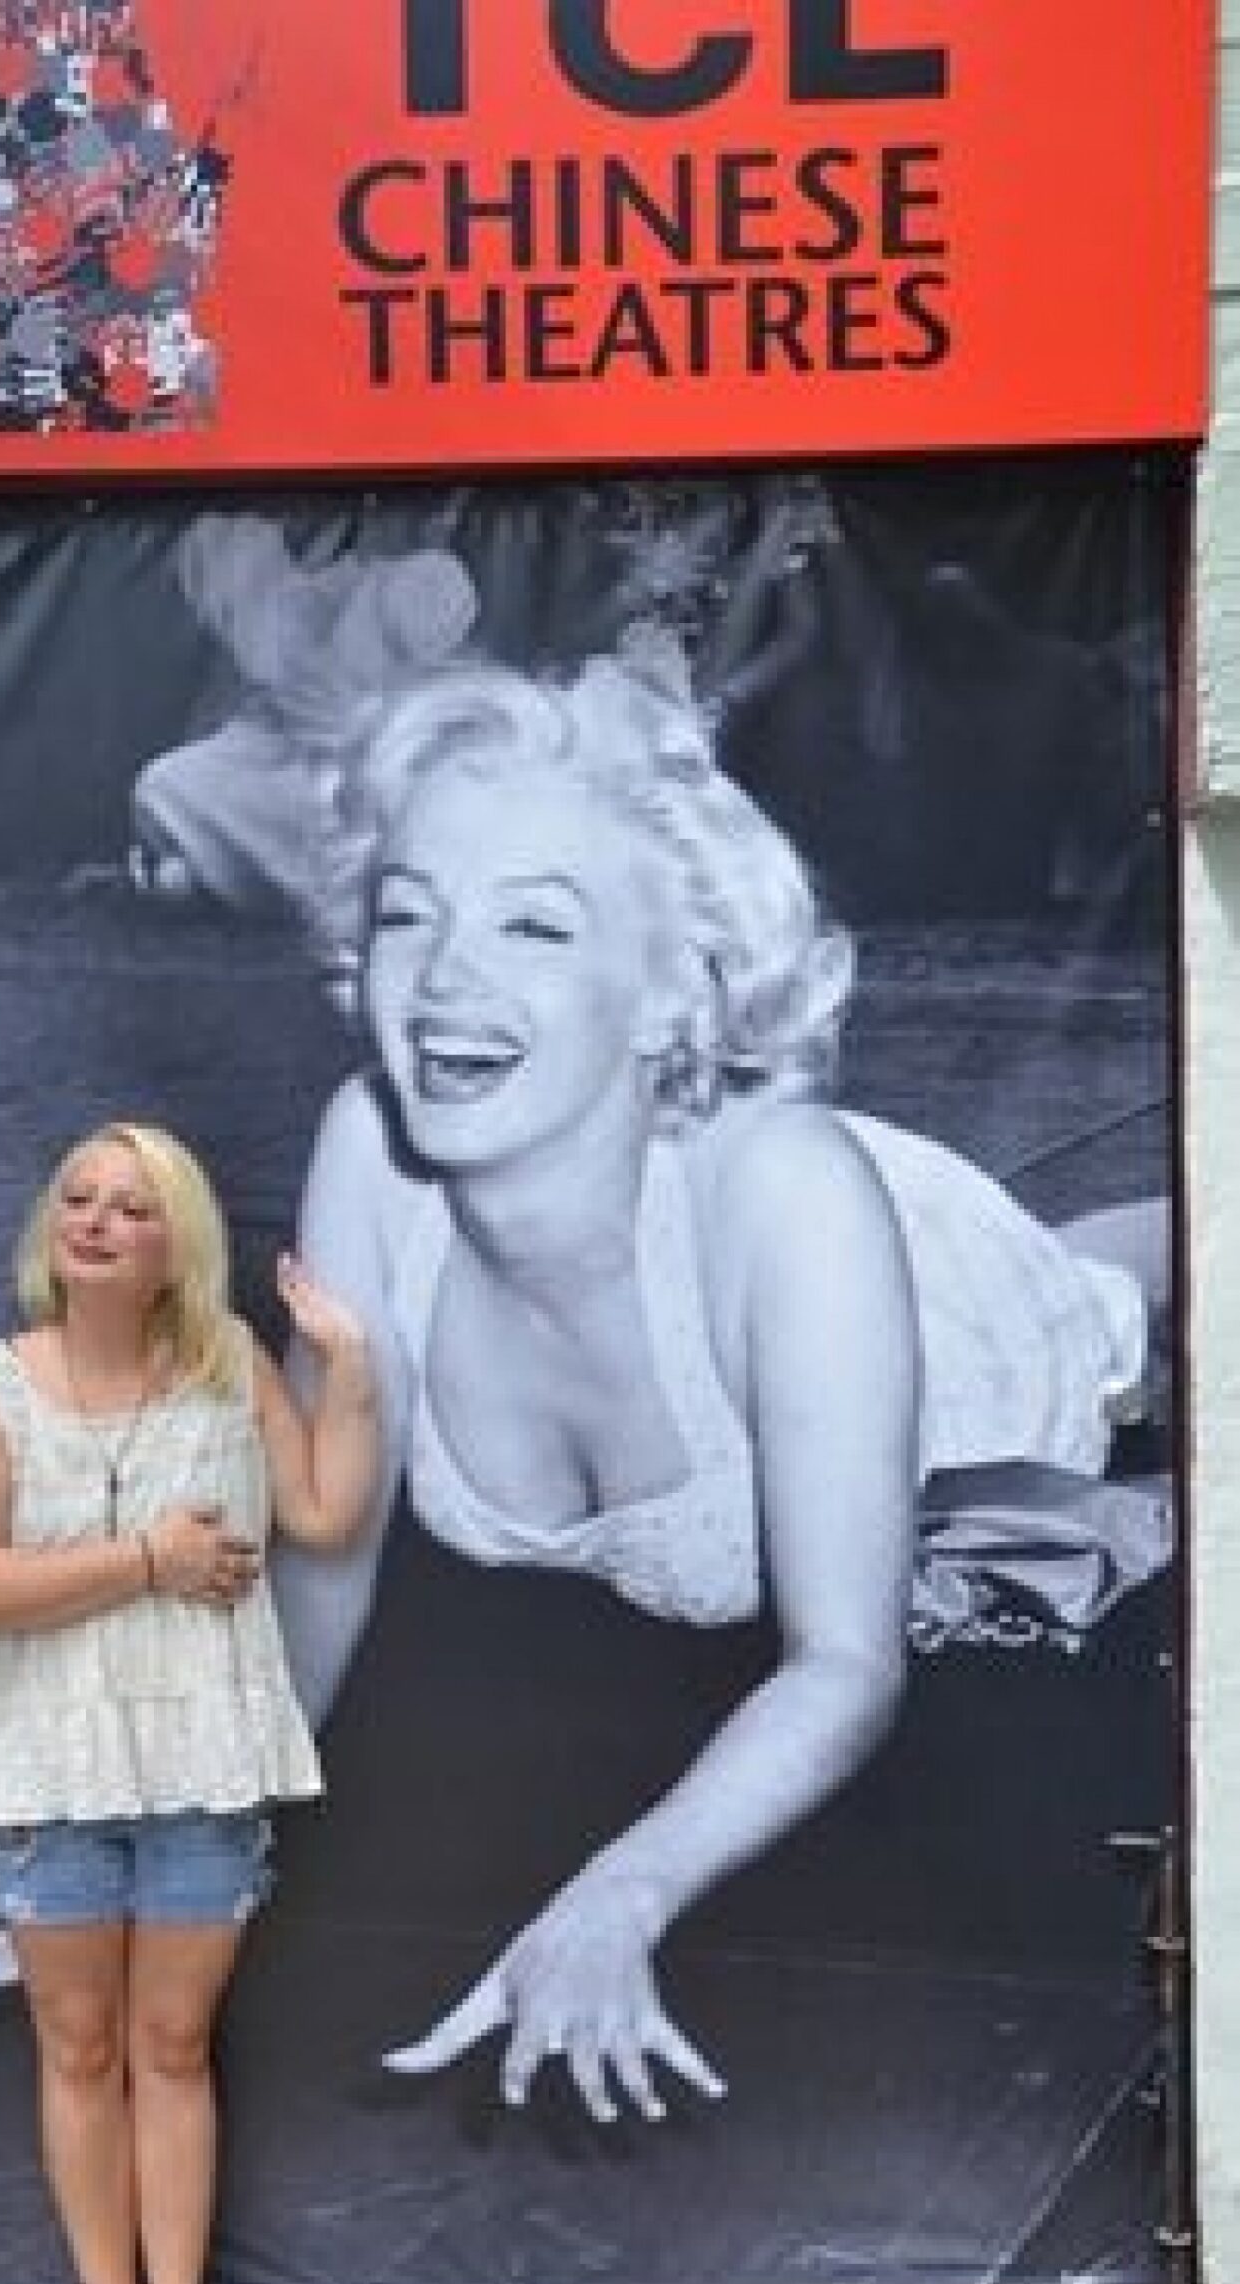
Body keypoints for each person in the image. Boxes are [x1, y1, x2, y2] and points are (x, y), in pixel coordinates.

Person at [270, 642, 1165, 2135]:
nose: (444, 980)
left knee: (1108, 1305)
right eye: (408, 914)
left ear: (665, 995)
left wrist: (618, 1895)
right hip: (768, 1253)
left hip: (924, 1304)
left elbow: (846, 1661)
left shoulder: (788, 1198)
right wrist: (193, 1839)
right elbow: (323, 1547)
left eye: (534, 925)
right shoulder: (367, 1147)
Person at [0, 1119, 377, 2284]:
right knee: (78, 2052)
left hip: (202, 1767)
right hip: (47, 1770)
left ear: (179, 1242)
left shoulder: (230, 1363)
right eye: (78, 1198)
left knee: (173, 2049)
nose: (97, 1221)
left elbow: (323, 1513)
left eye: (131, 1206)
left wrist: (350, 1365)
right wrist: (147, 1561)